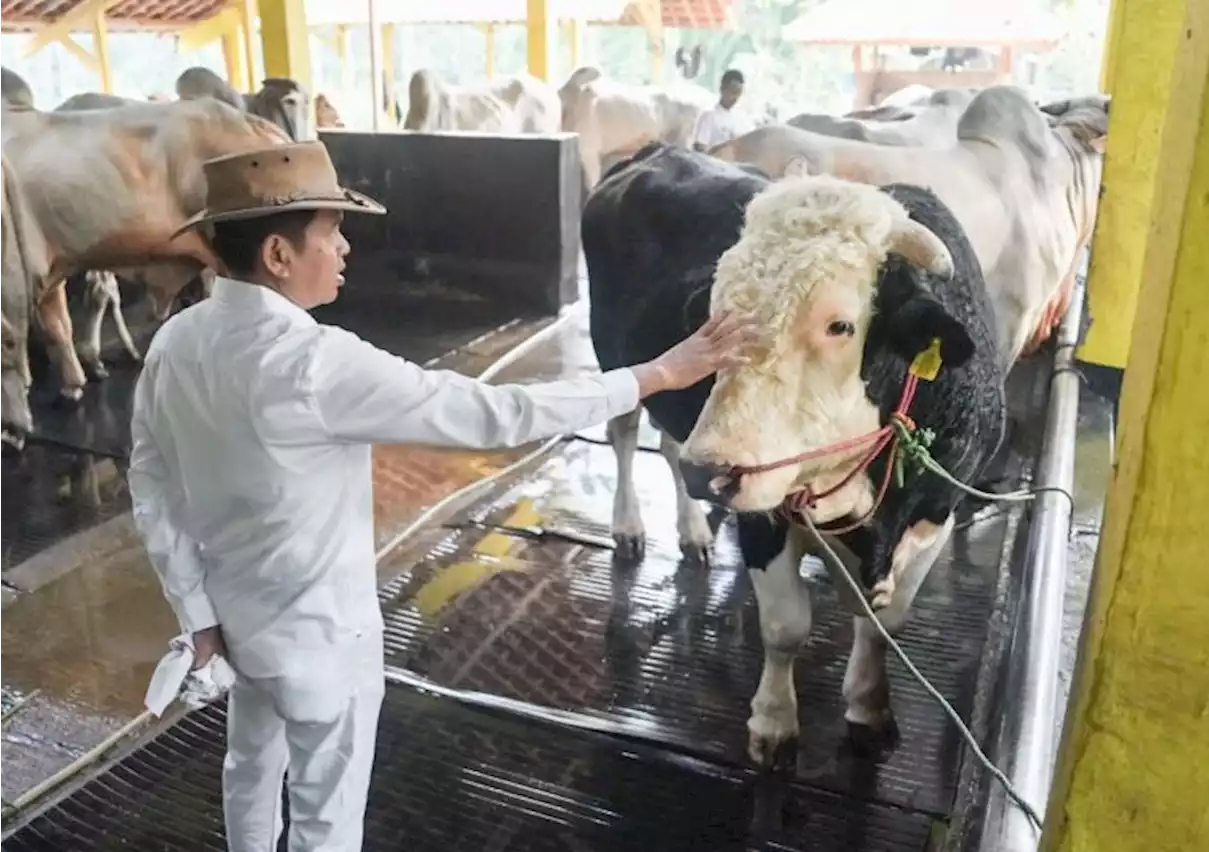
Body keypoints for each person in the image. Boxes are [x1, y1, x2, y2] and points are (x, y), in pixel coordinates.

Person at [127, 140, 755, 852]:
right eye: (332, 233)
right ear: (277, 254)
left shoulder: (177, 340)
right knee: (326, 820)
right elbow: (498, 415)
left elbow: (150, 481)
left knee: (248, 771)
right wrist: (658, 374)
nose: (343, 250)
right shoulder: (314, 364)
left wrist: (197, 611)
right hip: (326, 643)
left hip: (237, 630)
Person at [692, 69, 755, 152]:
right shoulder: (709, 116)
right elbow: (699, 148)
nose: (735, 98)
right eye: (732, 92)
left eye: (738, 93)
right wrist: (724, 148)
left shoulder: (738, 120)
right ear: (722, 89)